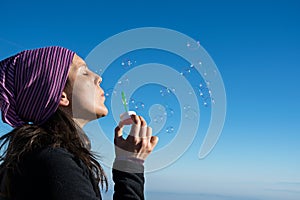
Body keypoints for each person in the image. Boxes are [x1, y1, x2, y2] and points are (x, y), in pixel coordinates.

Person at [0, 46, 158, 200]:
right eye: (83, 72)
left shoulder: (39, 156)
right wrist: (130, 165)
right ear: (61, 96)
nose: (98, 77)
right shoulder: (55, 162)